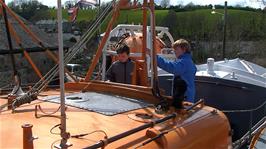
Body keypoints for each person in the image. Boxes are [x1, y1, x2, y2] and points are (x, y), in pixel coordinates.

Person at [157, 39, 197, 109]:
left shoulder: (185, 62)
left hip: (184, 98)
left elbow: (171, 67)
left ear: (184, 49)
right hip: (187, 96)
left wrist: (155, 58)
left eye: (176, 49)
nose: (174, 51)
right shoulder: (187, 61)